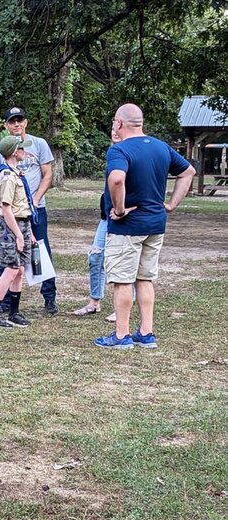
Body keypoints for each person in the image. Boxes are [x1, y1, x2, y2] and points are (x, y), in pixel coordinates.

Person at [94, 103, 194, 349]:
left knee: (123, 281)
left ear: (119, 124)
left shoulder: (119, 150)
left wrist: (118, 210)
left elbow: (117, 178)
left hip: (128, 226)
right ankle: (146, 333)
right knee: (145, 279)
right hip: (155, 224)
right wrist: (171, 204)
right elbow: (188, 171)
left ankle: (121, 336)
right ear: (140, 122)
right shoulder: (162, 147)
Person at [0, 106, 57, 315]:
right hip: (12, 212)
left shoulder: (39, 144)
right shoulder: (0, 149)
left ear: (26, 122)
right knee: (8, 255)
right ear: (6, 125)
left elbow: (47, 174)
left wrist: (35, 199)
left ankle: (49, 298)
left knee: (40, 251)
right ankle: (5, 302)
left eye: (20, 120)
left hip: (35, 209)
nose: (17, 124)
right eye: (12, 121)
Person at [0, 135, 36, 329]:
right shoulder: (7, 176)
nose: (24, 152)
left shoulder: (17, 173)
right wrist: (19, 235)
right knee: (11, 268)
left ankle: (14, 312)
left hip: (23, 222)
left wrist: (29, 232)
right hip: (12, 226)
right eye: (22, 149)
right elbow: (6, 209)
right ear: (14, 152)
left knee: (20, 269)